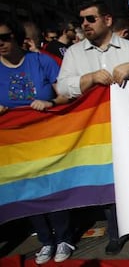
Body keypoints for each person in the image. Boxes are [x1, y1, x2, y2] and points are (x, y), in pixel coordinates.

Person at [56, 0, 129, 255]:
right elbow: (62, 87)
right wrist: (87, 79)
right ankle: (116, 232)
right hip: (95, 132)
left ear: (107, 20)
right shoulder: (74, 54)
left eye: (91, 18)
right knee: (107, 182)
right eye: (82, 20)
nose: (85, 24)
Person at [0, 16, 73, 264]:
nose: (0, 43)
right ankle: (45, 239)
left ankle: (63, 237)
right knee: (27, 190)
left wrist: (50, 102)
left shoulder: (41, 61)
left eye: (5, 37)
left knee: (52, 186)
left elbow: (66, 94)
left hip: (47, 137)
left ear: (19, 38)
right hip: (15, 143)